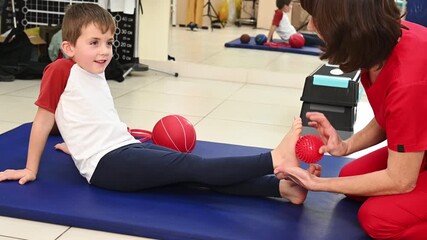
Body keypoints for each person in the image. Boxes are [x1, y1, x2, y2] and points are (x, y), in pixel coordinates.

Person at [0, 3, 320, 205]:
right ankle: (274, 159)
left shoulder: (94, 70)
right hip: (108, 166)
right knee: (193, 167)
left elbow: (91, 115)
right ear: (69, 47)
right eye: (94, 43)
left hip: (122, 148)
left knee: (193, 175)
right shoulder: (60, 70)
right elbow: (43, 120)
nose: (104, 51)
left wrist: (76, 143)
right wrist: (31, 168)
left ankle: (281, 189)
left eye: (109, 42)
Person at [274, 0, 427, 239]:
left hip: (411, 161)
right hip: (422, 145)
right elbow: (393, 114)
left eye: (316, 18)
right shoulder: (381, 44)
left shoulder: (409, 80)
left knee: (377, 219)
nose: (312, 27)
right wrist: (346, 146)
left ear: (345, 26)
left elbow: (400, 181)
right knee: (350, 179)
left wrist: (319, 185)